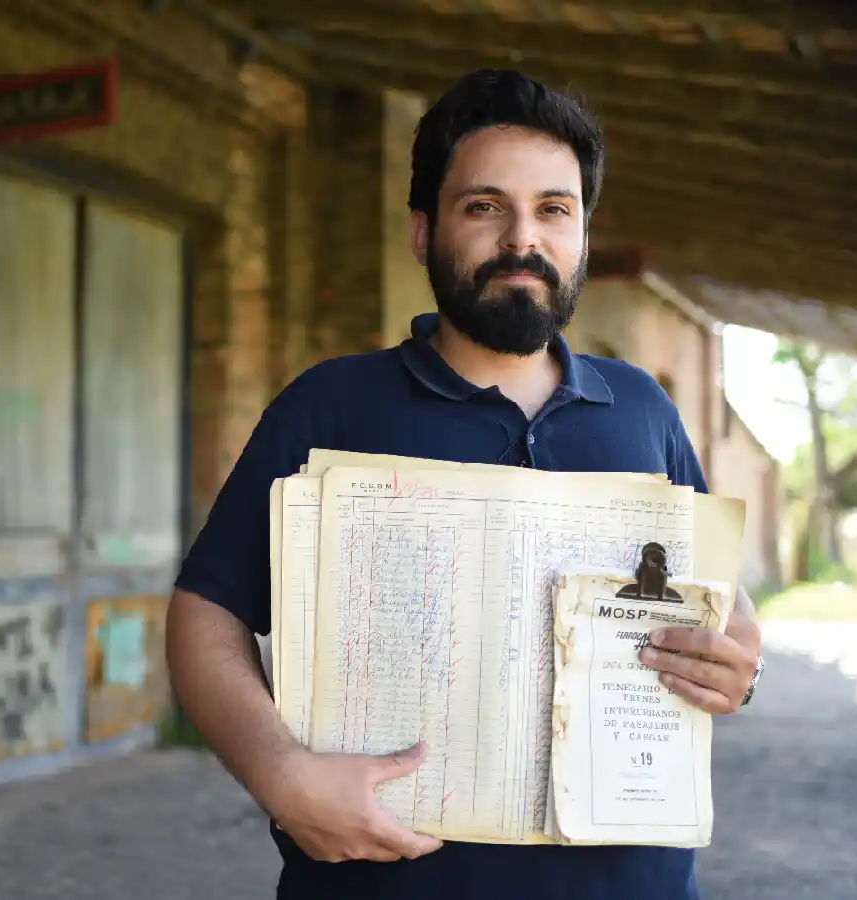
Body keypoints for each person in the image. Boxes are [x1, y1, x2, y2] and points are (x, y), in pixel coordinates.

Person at [166, 68, 763, 900]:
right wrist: (279, 773)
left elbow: (724, 608)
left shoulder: (643, 409)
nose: (524, 238)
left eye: (554, 209)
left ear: (583, 234)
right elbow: (207, 610)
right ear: (423, 232)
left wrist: (738, 667)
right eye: (485, 207)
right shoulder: (330, 406)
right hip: (382, 881)